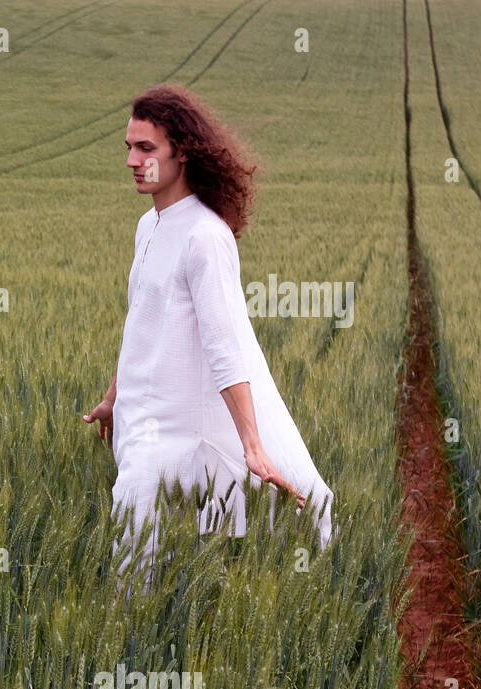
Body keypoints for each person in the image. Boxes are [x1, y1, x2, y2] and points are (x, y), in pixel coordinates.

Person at [82, 84, 335, 596]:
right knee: (150, 568)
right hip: (141, 421)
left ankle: (156, 654)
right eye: (128, 148)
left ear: (183, 151)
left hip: (175, 434)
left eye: (145, 148)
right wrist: (113, 398)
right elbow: (142, 323)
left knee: (137, 573)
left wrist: (253, 444)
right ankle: (158, 651)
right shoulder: (148, 226)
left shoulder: (205, 236)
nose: (132, 160)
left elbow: (225, 344)